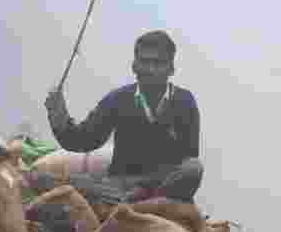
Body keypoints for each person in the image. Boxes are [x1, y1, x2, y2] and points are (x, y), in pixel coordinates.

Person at [43, 30, 203, 204]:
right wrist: (58, 115)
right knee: (43, 178)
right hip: (119, 185)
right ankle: (122, 199)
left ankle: (132, 200)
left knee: (193, 168)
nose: (150, 69)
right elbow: (83, 140)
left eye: (158, 63)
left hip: (162, 188)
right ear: (134, 66)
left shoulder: (185, 101)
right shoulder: (118, 99)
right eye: (145, 62)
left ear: (171, 68)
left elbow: (189, 158)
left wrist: (144, 187)